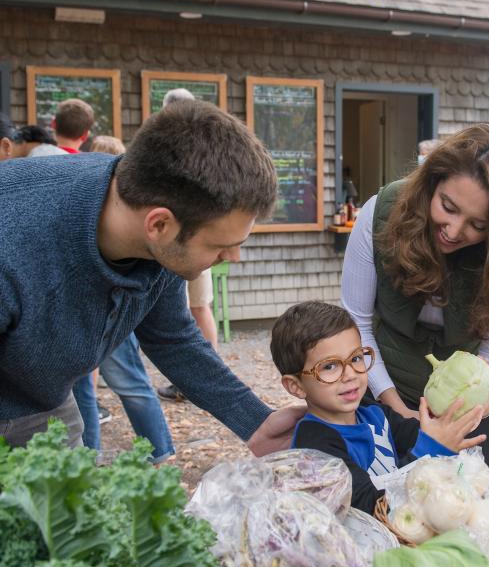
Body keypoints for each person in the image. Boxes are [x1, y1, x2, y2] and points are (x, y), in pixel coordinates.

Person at [0, 99, 302, 453]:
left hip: (44, 400)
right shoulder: (13, 241)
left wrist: (255, 422)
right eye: (221, 245)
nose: (232, 258)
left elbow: (172, 338)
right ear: (159, 223)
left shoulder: (156, 227)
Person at [341, 124, 489, 475]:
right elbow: (356, 323)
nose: (453, 231)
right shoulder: (380, 212)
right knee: (383, 503)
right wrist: (395, 407)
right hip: (384, 389)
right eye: (447, 206)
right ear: (433, 182)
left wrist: (478, 408)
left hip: (469, 411)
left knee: (466, 508)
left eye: (478, 225)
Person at [270, 301, 486, 514]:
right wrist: (429, 449)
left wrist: (461, 397)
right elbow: (367, 505)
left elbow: (421, 435)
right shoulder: (314, 445)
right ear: (296, 386)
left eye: (355, 358)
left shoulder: (374, 414)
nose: (350, 374)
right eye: (329, 366)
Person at [71, 134, 175, 463]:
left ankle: (154, 450)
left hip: (109, 311)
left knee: (120, 383)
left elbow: (175, 336)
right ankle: (94, 455)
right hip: (96, 312)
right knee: (96, 385)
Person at [155, 87, 220, 402]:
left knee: (181, 313)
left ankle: (191, 381)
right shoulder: (210, 147)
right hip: (204, 238)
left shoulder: (166, 149)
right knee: (200, 306)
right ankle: (210, 374)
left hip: (178, 240)